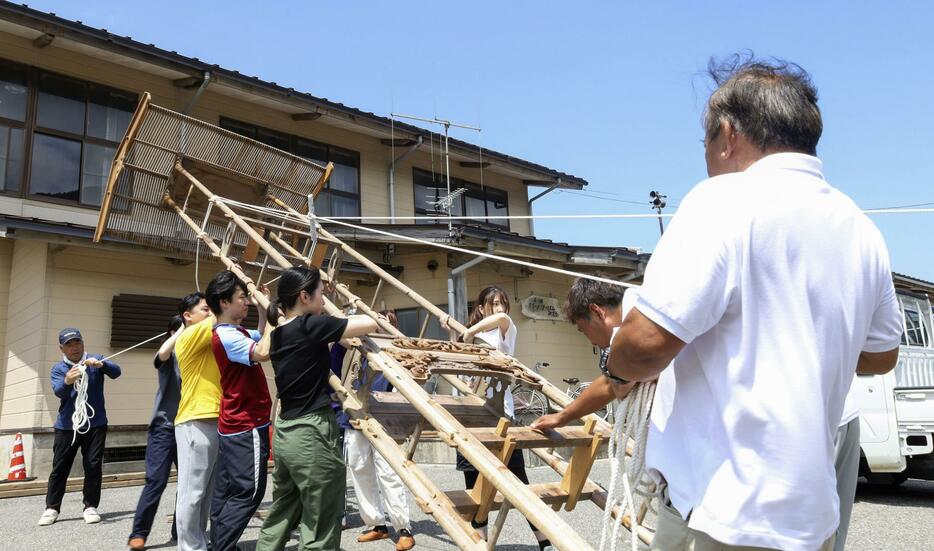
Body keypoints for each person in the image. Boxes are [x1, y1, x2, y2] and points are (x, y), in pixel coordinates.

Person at [604, 55, 904, 550]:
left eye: (704, 142)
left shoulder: (722, 200)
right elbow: (881, 355)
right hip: (811, 517)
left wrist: (614, 370)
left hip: (725, 514)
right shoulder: (860, 227)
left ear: (727, 134)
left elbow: (645, 345)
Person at [256, 266, 378, 551]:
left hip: (286, 432)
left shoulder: (278, 335)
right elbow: (370, 323)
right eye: (321, 293)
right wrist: (347, 308)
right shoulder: (310, 326)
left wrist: (326, 299)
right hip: (312, 433)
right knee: (321, 517)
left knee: (282, 512)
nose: (324, 298)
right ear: (304, 296)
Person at [445, 286, 552, 551]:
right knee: (474, 484)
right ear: (481, 308)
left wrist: (471, 330)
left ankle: (545, 542)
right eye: (493, 304)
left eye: (502, 303)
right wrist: (454, 332)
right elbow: (458, 361)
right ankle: (481, 543)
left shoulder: (505, 333)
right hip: (470, 414)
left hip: (499, 417)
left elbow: (504, 320)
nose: (500, 309)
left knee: (518, 482)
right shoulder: (474, 335)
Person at [335, 310, 416, 551]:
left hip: (385, 420)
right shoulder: (355, 346)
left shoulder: (395, 351)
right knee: (360, 469)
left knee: (388, 473)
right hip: (355, 417)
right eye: (376, 323)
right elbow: (337, 335)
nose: (378, 328)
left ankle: (403, 527)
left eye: (385, 324)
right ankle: (376, 525)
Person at [206, 271, 273, 551]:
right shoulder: (227, 336)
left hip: (233, 422)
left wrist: (261, 309)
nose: (246, 302)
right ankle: (222, 546)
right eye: (242, 297)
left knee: (226, 489)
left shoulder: (236, 331)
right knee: (250, 492)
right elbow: (263, 351)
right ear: (224, 302)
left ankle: (220, 544)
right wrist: (271, 312)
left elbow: (259, 335)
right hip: (247, 423)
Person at [38, 327, 122, 527]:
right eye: (69, 344)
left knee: (93, 466)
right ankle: (52, 508)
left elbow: (116, 372)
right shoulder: (59, 369)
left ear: (83, 343)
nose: (74, 347)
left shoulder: (95, 360)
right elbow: (59, 392)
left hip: (96, 424)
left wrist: (102, 365)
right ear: (62, 348)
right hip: (68, 426)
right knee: (60, 468)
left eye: (77, 342)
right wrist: (68, 380)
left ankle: (90, 506)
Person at [531, 277, 635, 431]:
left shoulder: (642, 326)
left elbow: (614, 384)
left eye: (584, 330)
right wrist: (561, 417)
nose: (592, 342)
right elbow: (611, 384)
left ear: (596, 312)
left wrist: (561, 417)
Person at [128, 315, 184, 550]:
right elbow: (161, 353)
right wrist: (183, 329)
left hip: (189, 427)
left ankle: (179, 530)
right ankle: (138, 533)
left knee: (190, 484)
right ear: (173, 332)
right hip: (164, 429)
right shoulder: (169, 358)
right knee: (156, 481)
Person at [173, 291, 220, 551]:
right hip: (195, 419)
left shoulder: (209, 337)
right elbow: (221, 318)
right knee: (192, 493)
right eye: (206, 308)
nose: (210, 312)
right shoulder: (190, 335)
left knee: (205, 492)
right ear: (187, 317)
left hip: (214, 418)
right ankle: (190, 547)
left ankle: (199, 541)